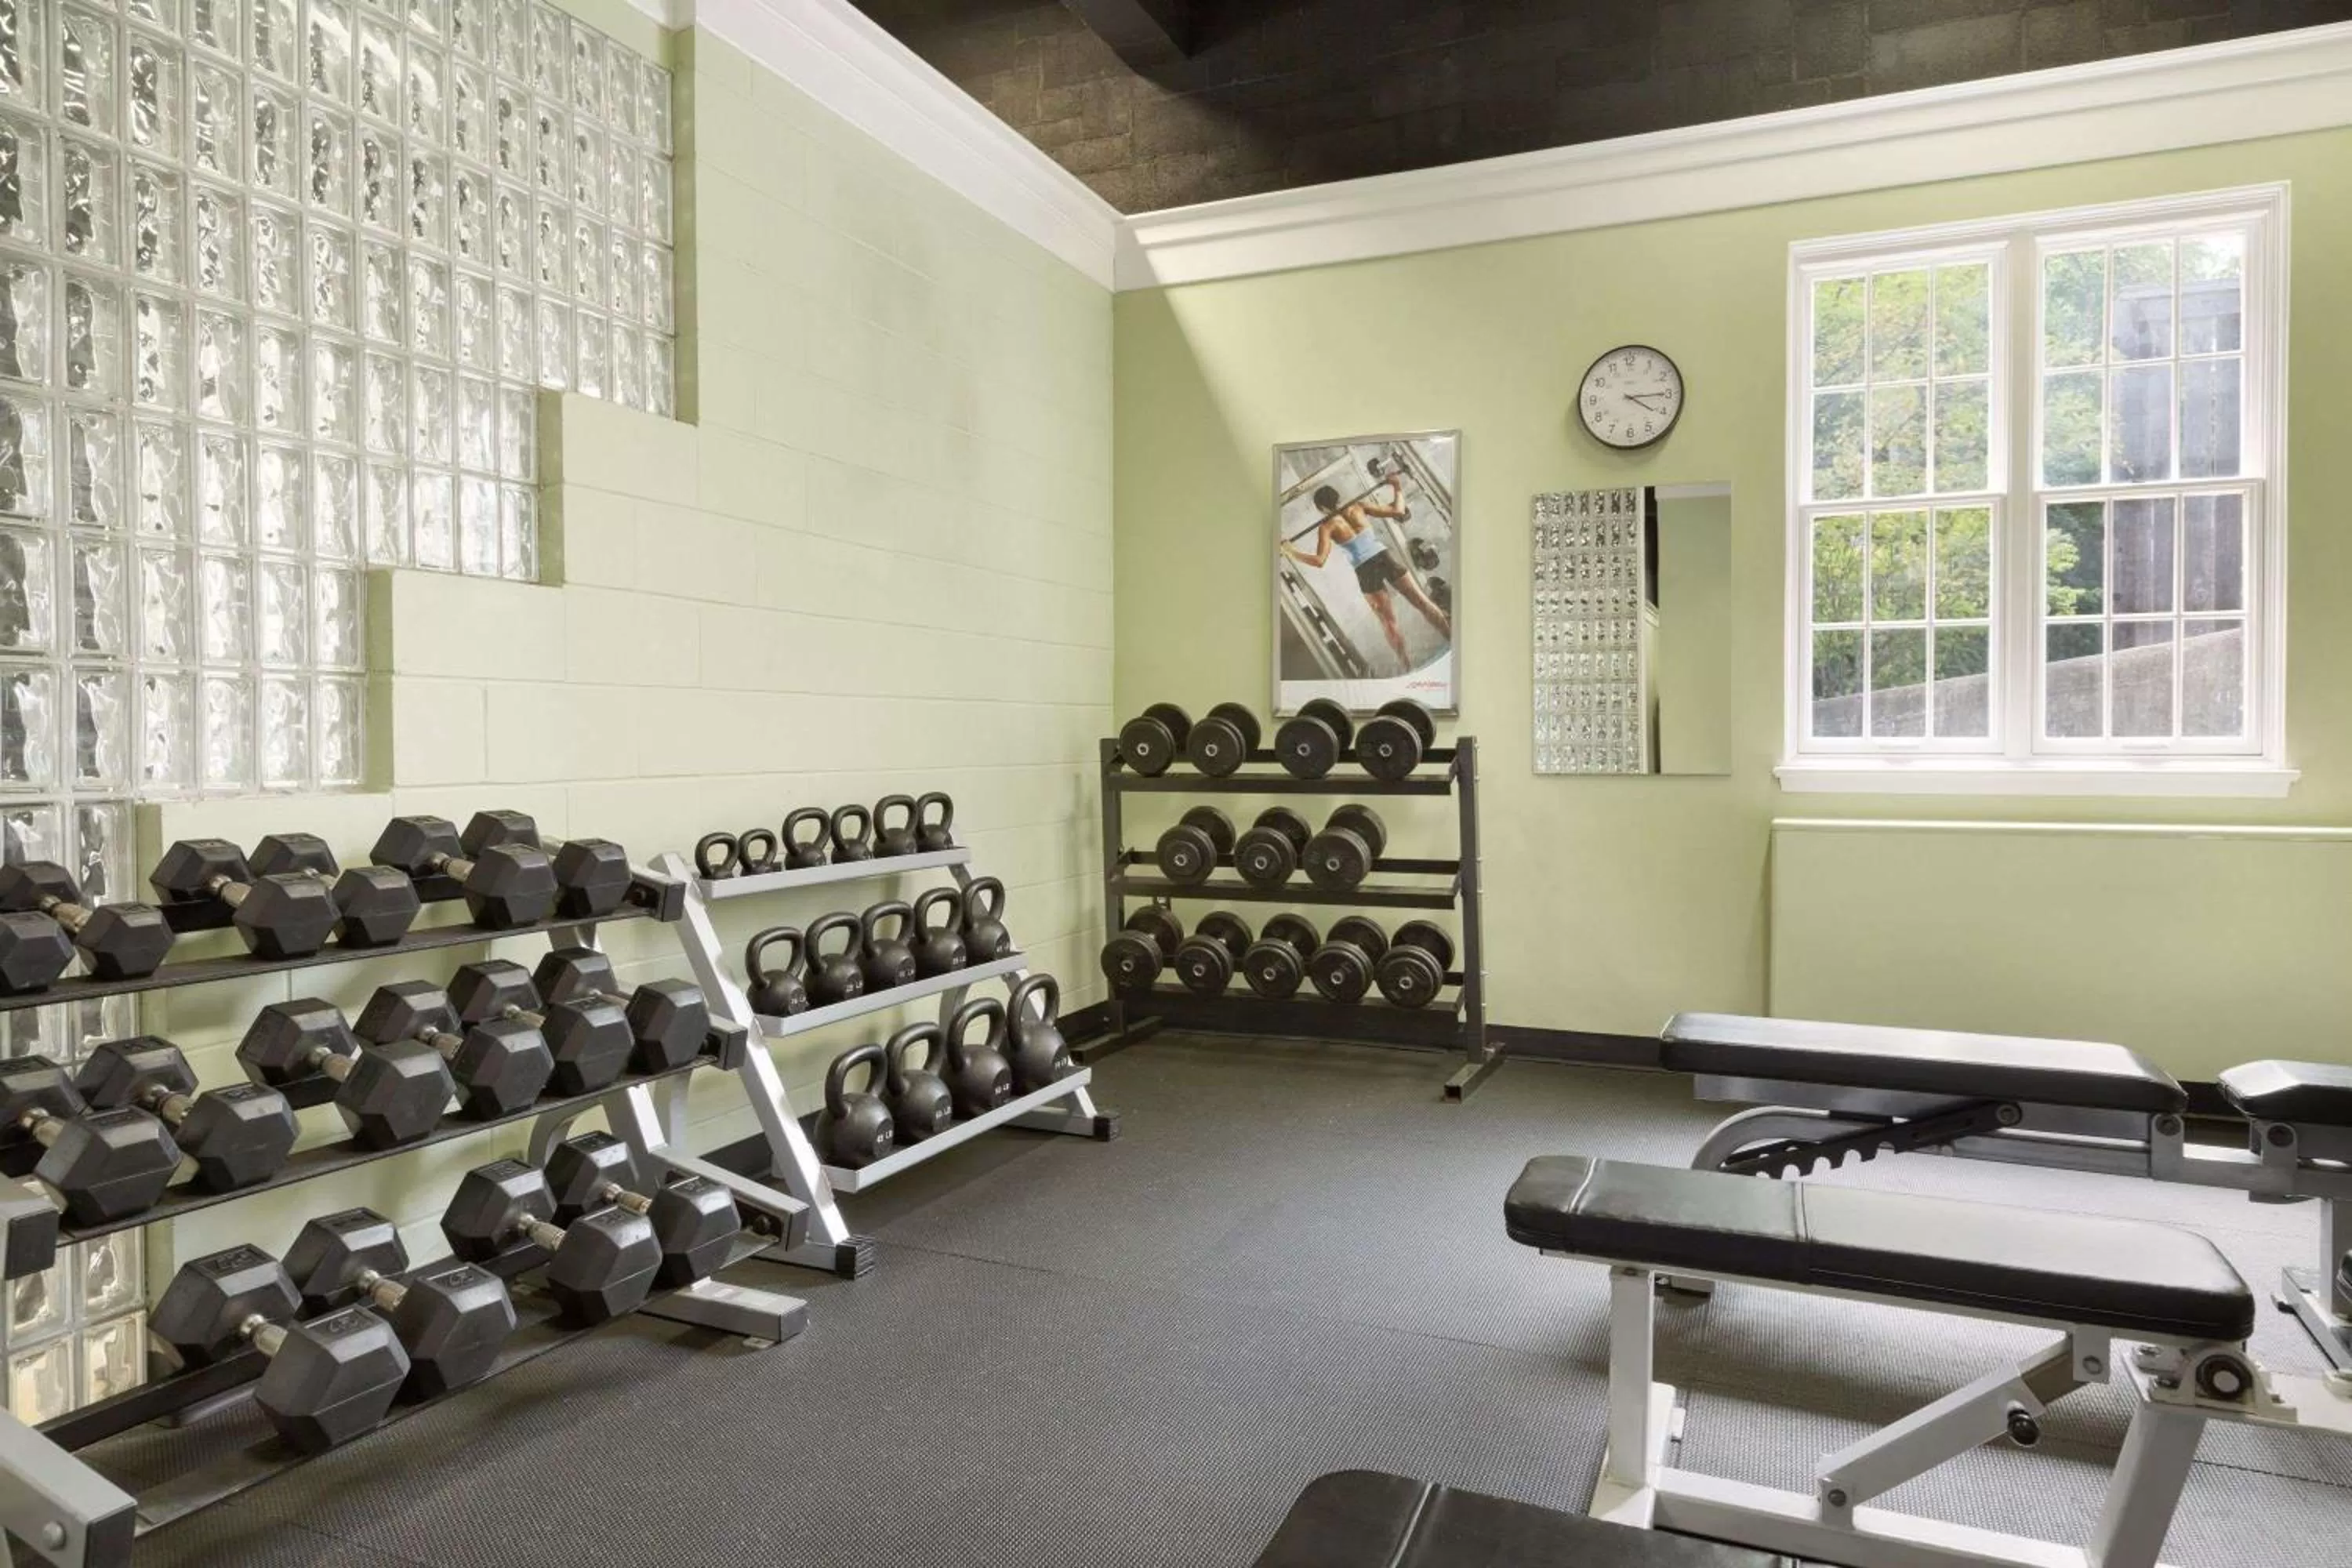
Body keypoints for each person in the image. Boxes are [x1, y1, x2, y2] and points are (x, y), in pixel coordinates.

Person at [1281, 471, 1453, 670]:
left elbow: (1319, 561)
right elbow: (1398, 511)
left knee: (1389, 623)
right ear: (1337, 497)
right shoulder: (1359, 507)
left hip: (1365, 570)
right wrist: (1396, 486)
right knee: (1422, 602)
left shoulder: (1327, 526)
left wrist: (1290, 551)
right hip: (1384, 558)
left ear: (1321, 507)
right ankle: (1451, 640)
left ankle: (1408, 669)